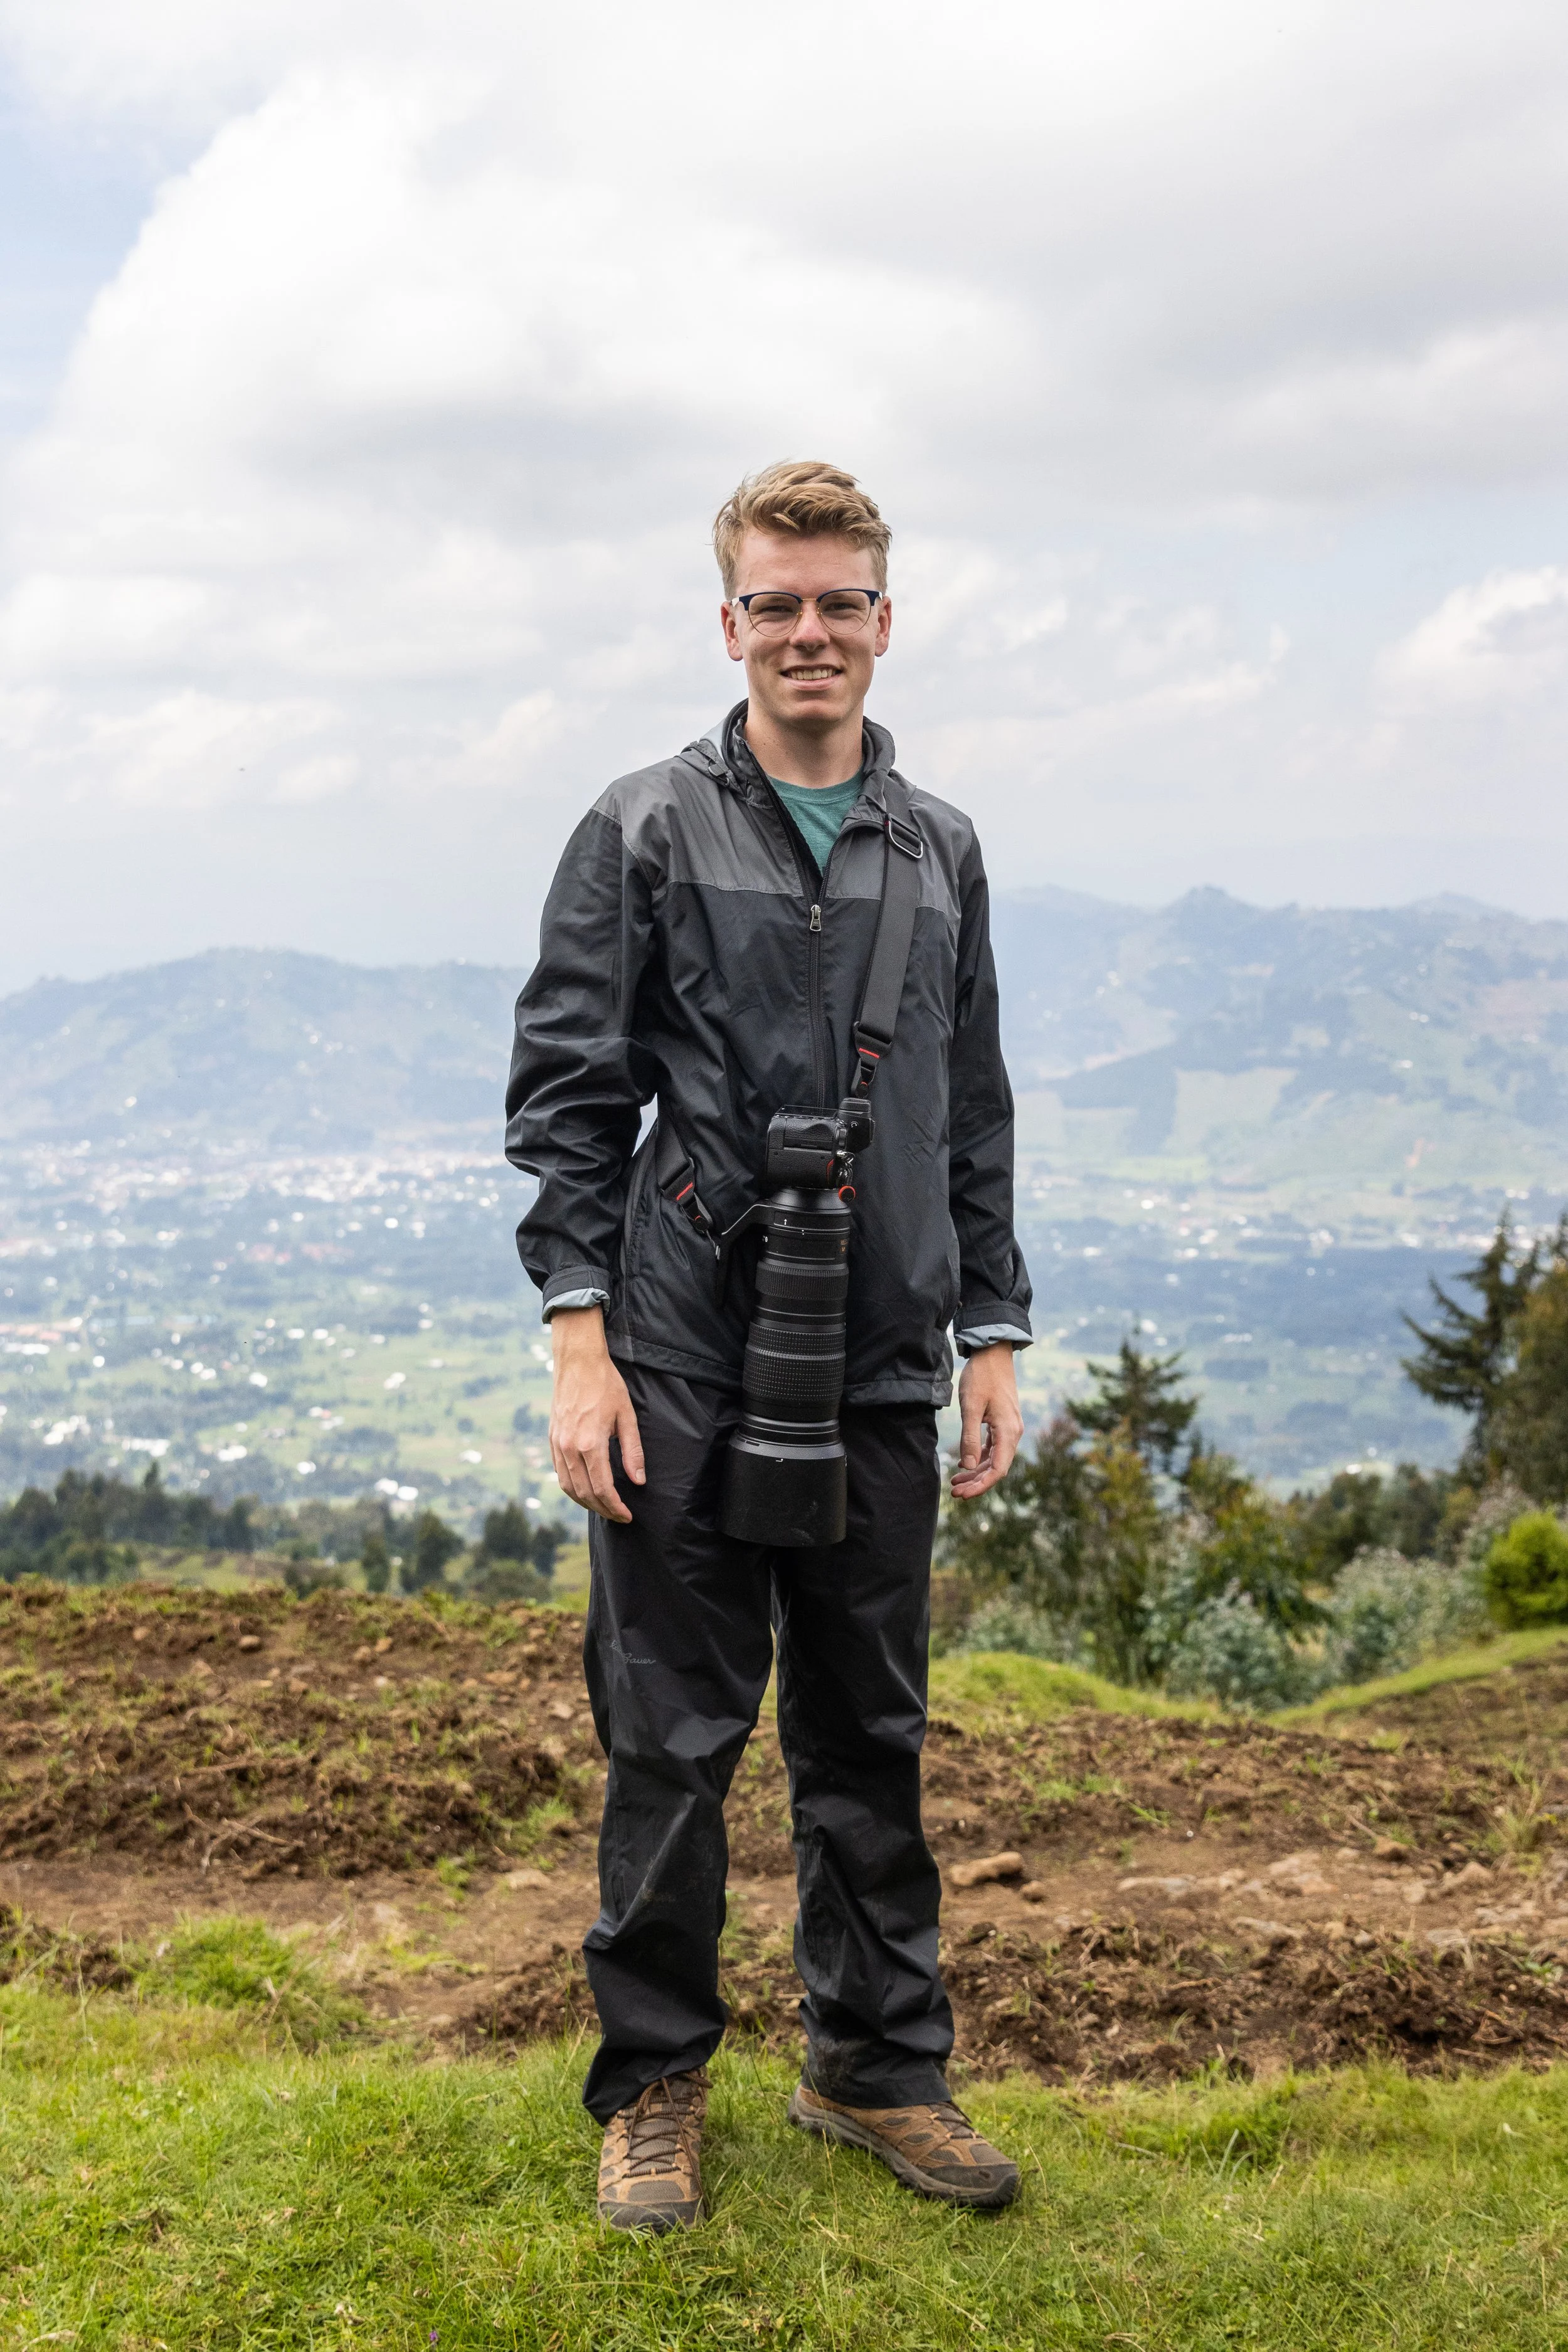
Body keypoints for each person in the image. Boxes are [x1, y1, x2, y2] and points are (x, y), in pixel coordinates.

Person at [506, 460, 1032, 2232]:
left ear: (885, 621)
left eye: (838, 602)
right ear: (727, 620)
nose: (808, 631)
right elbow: (570, 1100)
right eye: (775, 602)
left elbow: (970, 1107)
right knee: (670, 1741)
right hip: (678, 1359)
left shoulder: (937, 844)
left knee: (869, 1732)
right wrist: (580, 1346)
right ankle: (652, 2083)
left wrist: (993, 1328)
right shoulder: (643, 828)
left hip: (883, 1352)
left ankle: (876, 2071)